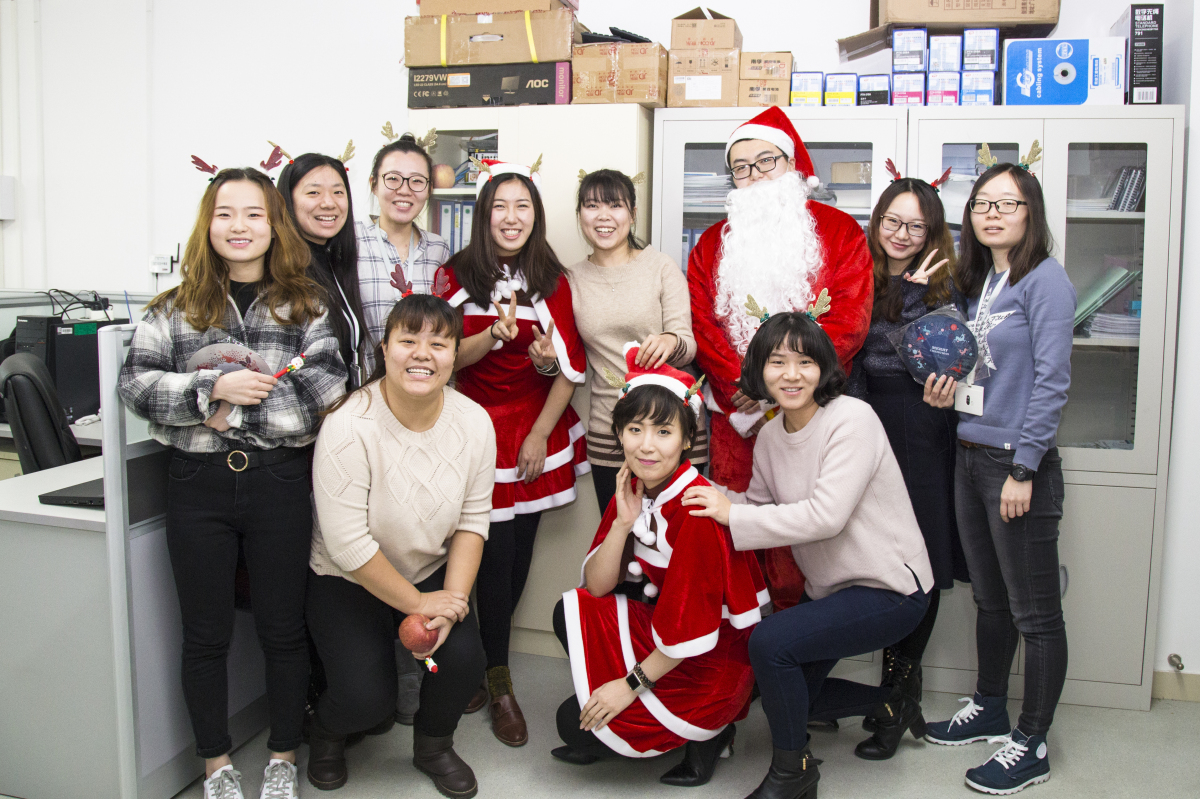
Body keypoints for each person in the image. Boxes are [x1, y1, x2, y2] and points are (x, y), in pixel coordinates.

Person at [119, 167, 347, 799]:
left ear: (274, 226)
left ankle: (281, 755)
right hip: (197, 485)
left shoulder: (306, 306)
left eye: (254, 214)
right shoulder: (173, 308)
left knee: (283, 629)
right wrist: (211, 388)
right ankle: (215, 766)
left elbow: (321, 390)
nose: (239, 226)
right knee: (204, 635)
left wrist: (226, 412)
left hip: (279, 484)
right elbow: (137, 384)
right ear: (208, 223)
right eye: (225, 214)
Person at [682, 309, 933, 799]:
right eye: (777, 362)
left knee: (771, 643)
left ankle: (793, 772)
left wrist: (732, 515)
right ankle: (892, 706)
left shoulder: (852, 419)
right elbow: (757, 510)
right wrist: (704, 494)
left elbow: (825, 516)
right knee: (793, 696)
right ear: (760, 371)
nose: (791, 374)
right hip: (832, 591)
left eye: (804, 362)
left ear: (823, 368)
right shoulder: (770, 436)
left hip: (891, 588)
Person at [921, 157, 1075, 796]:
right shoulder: (983, 280)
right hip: (969, 453)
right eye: (982, 203)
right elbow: (974, 365)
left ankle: (1031, 742)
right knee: (989, 599)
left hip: (1015, 464)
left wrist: (1024, 467)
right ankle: (989, 708)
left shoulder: (1045, 280)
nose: (992, 213)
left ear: (1030, 213)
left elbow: (1052, 381)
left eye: (1007, 203)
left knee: (1035, 614)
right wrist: (943, 389)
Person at [551, 346, 767, 788]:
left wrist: (626, 687)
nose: (646, 445)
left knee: (571, 723)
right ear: (619, 433)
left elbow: (692, 629)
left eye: (663, 431)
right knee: (568, 611)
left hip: (712, 659)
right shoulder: (634, 487)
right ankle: (629, 709)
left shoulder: (696, 508)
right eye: (635, 429)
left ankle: (712, 733)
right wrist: (621, 524)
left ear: (687, 439)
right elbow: (597, 586)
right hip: (665, 632)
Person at [305, 294, 493, 798]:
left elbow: (473, 521)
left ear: (455, 355)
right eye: (408, 340)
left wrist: (451, 604)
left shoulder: (475, 421)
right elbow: (347, 545)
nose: (422, 354)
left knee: (459, 662)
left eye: (439, 343)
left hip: (426, 571)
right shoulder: (349, 425)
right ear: (385, 349)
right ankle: (325, 732)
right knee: (368, 701)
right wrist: (418, 604)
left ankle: (433, 746)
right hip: (349, 579)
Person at [687, 106, 873, 608]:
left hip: (812, 418)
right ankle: (743, 645)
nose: (754, 175)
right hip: (737, 415)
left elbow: (850, 321)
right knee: (735, 533)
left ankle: (801, 642)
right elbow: (701, 323)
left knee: (807, 536)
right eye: (741, 167)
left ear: (792, 165)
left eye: (766, 161)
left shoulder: (841, 232)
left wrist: (780, 385)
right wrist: (744, 384)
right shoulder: (710, 244)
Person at [440, 158, 590, 747]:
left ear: (536, 215)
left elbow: (569, 369)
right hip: (472, 429)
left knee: (514, 552)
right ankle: (494, 673)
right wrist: (490, 336)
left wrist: (538, 432)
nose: (511, 217)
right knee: (485, 554)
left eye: (522, 206)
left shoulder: (553, 279)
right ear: (483, 214)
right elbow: (443, 360)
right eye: (500, 206)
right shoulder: (456, 273)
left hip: (532, 428)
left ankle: (490, 670)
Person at [845, 173, 970, 759]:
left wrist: (910, 298)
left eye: (916, 226)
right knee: (864, 552)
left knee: (917, 556)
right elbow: (842, 347)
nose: (902, 234)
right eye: (893, 221)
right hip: (857, 419)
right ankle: (852, 691)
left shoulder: (945, 284)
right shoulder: (854, 273)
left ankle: (897, 695)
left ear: (932, 232)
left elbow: (943, 354)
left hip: (919, 423)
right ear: (876, 222)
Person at [565, 168, 702, 514]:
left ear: (633, 214)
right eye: (592, 206)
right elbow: (565, 357)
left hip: (673, 424)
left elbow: (688, 344)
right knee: (619, 536)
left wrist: (670, 341)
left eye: (615, 205)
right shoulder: (570, 279)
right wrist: (545, 359)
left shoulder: (661, 266)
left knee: (680, 538)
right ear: (580, 215)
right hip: (611, 427)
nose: (604, 216)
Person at [357, 132, 450, 373]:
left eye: (417, 181)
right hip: (367, 384)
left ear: (429, 189)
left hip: (424, 380)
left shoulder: (438, 249)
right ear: (374, 184)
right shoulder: (352, 241)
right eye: (393, 179)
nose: (404, 190)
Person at [278, 153, 368, 389]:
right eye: (313, 192)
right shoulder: (277, 271)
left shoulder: (335, 263)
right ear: (287, 200)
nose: (329, 203)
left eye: (338, 192)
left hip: (341, 405)